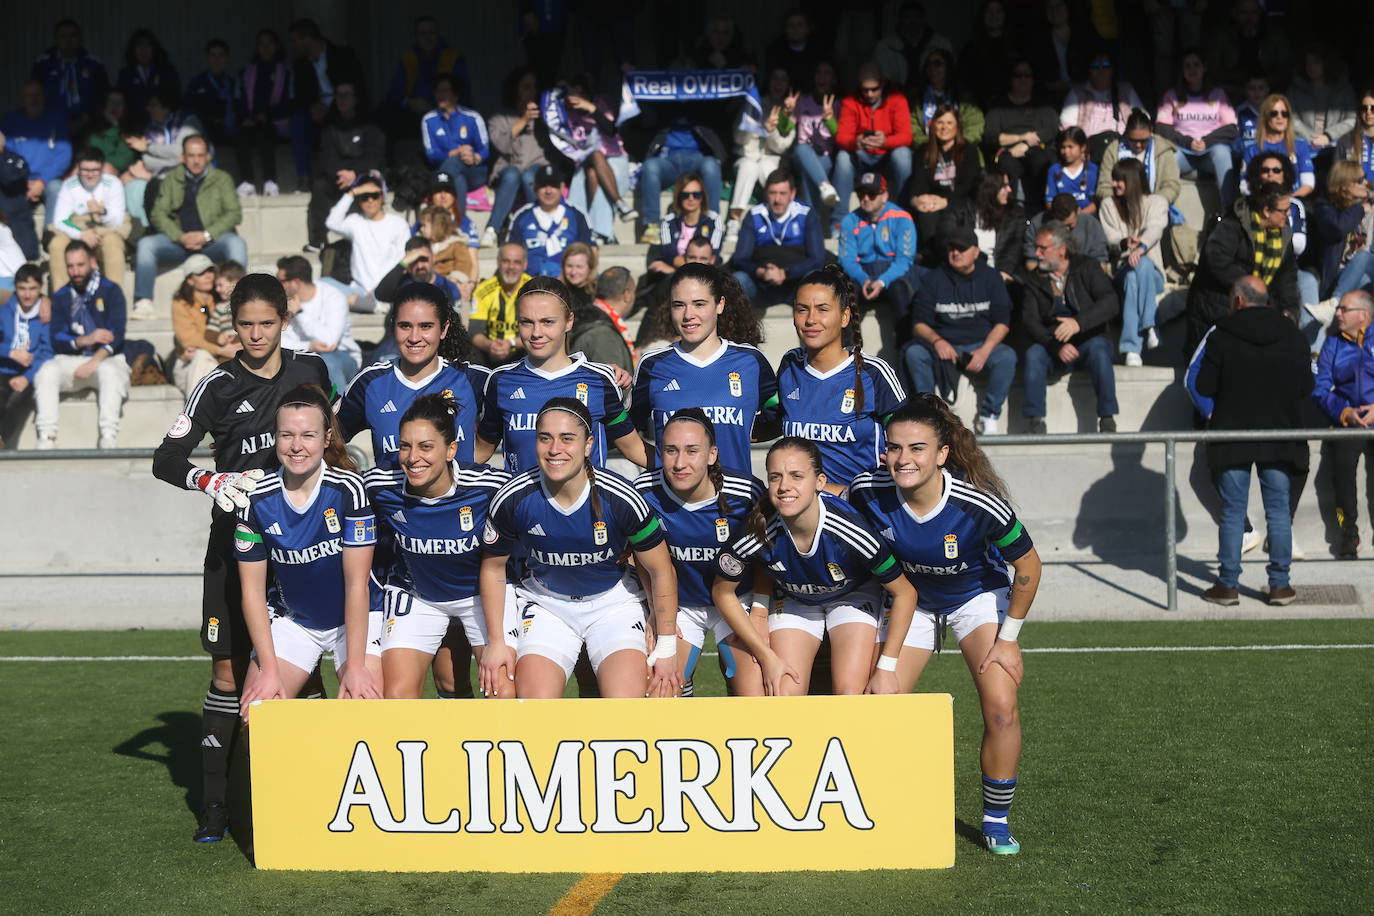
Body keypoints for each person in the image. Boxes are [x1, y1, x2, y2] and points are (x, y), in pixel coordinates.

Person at [151, 273, 331, 843]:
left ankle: (321, 789)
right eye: (245, 323)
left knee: (306, 665)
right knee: (228, 672)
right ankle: (215, 805)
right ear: (232, 324)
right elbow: (165, 458)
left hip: (300, 546)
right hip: (234, 544)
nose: (255, 334)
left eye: (266, 323)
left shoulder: (312, 372)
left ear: (284, 321)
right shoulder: (217, 384)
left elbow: (336, 438)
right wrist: (210, 477)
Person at [850, 395, 1041, 855]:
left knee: (1001, 705)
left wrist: (1009, 639)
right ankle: (878, 808)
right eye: (894, 448)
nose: (903, 458)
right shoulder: (866, 491)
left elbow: (1030, 567)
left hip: (975, 598)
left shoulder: (979, 505)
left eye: (917, 448)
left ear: (941, 454)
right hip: (909, 603)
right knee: (879, 704)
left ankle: (995, 821)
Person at [340, 287, 490, 701]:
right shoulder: (371, 382)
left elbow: (518, 427)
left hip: (471, 548)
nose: (415, 336)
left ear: (444, 329)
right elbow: (328, 440)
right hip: (405, 550)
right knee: (436, 680)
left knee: (466, 677)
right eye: (405, 325)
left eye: (426, 326)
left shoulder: (475, 379)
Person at [478, 397, 681, 700]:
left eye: (567, 439)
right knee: (532, 706)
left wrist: (666, 647)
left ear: (588, 445)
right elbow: (493, 567)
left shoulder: (621, 497)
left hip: (613, 604)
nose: (554, 449)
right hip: (547, 604)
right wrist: (496, 641)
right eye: (545, 438)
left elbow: (661, 570)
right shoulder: (514, 497)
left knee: (627, 705)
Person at [710, 436, 917, 695]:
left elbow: (905, 592)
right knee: (783, 693)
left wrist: (886, 666)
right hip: (795, 598)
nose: (784, 486)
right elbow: (722, 591)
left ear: (820, 482)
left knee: (851, 694)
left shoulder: (851, 531)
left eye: (797, 476)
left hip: (851, 596)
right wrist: (766, 652)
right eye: (775, 477)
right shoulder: (757, 530)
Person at [235, 384, 380, 719]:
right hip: (297, 622)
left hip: (355, 619)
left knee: (366, 709)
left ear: (326, 438)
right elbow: (252, 592)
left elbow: (358, 585)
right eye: (287, 435)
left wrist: (356, 666)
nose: (296, 446)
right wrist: (268, 669)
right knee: (258, 715)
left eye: (308, 435)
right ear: (275, 438)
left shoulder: (348, 491)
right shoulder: (255, 498)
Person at [363, 394, 512, 700]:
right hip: (417, 595)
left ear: (451, 450)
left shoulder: (489, 487)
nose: (413, 457)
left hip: (483, 596)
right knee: (396, 697)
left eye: (426, 446)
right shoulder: (379, 485)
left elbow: (539, 509)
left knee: (503, 690)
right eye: (405, 446)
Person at [1195, 276, 1310, 604]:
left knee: (1233, 511)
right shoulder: (1292, 333)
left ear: (1239, 300)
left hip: (1233, 434)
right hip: (1279, 433)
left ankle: (1228, 585)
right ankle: (1280, 585)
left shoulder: (1222, 335)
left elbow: (1204, 386)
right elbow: (1306, 386)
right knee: (1278, 510)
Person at [476, 277, 646, 474]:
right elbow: (480, 451)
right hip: (522, 504)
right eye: (526, 322)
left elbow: (635, 449)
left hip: (588, 503)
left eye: (547, 322)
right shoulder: (501, 381)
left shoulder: (601, 380)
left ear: (569, 321)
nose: (536, 332)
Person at [633, 263, 778, 470]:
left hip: (735, 499)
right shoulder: (652, 364)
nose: (688, 315)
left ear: (720, 305)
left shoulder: (751, 361)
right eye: (678, 305)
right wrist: (661, 465)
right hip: (670, 500)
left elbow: (779, 416)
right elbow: (626, 430)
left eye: (699, 304)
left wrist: (738, 435)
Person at [778, 266, 907, 484]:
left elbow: (910, 437)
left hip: (861, 508)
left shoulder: (874, 373)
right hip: (802, 508)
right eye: (802, 309)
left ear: (845, 316)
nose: (811, 319)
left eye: (822, 309)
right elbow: (771, 421)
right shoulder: (790, 365)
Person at [904, 224, 1017, 436]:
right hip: (943, 343)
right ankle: (929, 415)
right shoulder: (933, 279)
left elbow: (1003, 322)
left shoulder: (991, 277)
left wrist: (985, 351)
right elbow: (918, 324)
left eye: (961, 248)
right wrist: (937, 341)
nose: (955, 253)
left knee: (1007, 356)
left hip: (981, 344)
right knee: (914, 353)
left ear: (975, 252)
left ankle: (989, 416)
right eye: (951, 248)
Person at [1020, 221, 1120, 434]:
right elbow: (1030, 320)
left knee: (1100, 350)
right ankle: (1035, 421)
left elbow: (1110, 302)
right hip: (1052, 345)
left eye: (1042, 248)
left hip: (1088, 340)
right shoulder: (1033, 279)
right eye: (1036, 248)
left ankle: (1107, 418)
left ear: (1061, 250)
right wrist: (1055, 345)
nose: (1036, 253)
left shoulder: (1087, 266)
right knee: (1033, 355)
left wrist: (1079, 323)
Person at [134, 135, 247, 320]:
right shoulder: (170, 180)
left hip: (212, 241)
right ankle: (144, 300)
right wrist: (179, 236)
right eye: (192, 155)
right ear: (182, 157)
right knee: (146, 244)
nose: (196, 160)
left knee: (237, 244)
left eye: (201, 155)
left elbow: (234, 214)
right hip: (178, 242)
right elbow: (158, 214)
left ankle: (239, 299)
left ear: (208, 157)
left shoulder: (222, 179)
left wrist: (207, 235)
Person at [33, 241, 129, 448]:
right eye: (70, 266)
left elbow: (117, 335)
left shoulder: (111, 291)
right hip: (72, 359)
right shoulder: (61, 296)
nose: (75, 271)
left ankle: (108, 436)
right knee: (46, 372)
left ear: (92, 262)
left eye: (80, 265)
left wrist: (94, 361)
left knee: (110, 374)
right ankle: (47, 436)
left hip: (106, 358)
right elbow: (57, 339)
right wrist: (86, 339)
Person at [1185, 182, 1298, 354]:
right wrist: (1254, 287)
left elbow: (1287, 277)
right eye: (1283, 211)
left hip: (1259, 307)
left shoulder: (1283, 236)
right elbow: (1217, 260)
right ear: (1266, 211)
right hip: (1219, 306)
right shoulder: (1233, 224)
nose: (1288, 214)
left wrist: (1290, 311)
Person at [1314, 290, 1374, 557]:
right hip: (1347, 421)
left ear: (1363, 315)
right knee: (1341, 473)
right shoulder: (1332, 345)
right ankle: (1349, 534)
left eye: (1343, 309)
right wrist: (1346, 412)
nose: (1337, 313)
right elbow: (1321, 390)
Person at [553, 74, 638, 241]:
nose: (568, 97)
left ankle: (596, 230)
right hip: (582, 160)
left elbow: (611, 130)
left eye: (571, 92)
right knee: (595, 155)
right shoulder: (561, 115)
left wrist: (591, 109)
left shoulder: (600, 103)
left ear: (582, 91)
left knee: (593, 174)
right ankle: (620, 204)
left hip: (614, 157)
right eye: (563, 94)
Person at [1100, 158, 1168, 365]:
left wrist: (1141, 247)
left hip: (1153, 273)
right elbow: (1109, 238)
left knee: (1140, 270)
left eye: (1119, 180)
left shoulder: (1157, 202)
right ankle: (1150, 325)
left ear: (1133, 180)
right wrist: (1123, 243)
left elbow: (1156, 228)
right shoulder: (1108, 205)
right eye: (1113, 180)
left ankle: (1131, 349)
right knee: (1131, 274)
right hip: (1121, 268)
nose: (1114, 184)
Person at [287, 18, 366, 188]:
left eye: (295, 41)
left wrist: (332, 106)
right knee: (298, 120)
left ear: (307, 38)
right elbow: (300, 96)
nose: (293, 46)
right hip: (316, 110)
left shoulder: (342, 55)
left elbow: (356, 86)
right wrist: (312, 107)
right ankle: (304, 177)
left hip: (341, 105)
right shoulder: (300, 64)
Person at [305, 82, 384, 252]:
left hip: (362, 175)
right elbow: (326, 156)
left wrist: (354, 173)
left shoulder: (369, 124)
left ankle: (367, 237)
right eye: (339, 95)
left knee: (368, 187)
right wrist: (342, 174)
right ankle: (317, 240)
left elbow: (374, 155)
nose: (342, 99)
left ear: (355, 99)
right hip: (337, 178)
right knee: (319, 185)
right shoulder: (329, 126)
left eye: (347, 95)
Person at [729, 169, 825, 307]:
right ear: (766, 194)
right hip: (762, 285)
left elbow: (817, 259)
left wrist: (785, 273)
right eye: (773, 193)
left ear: (792, 193)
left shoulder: (807, 214)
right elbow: (740, 258)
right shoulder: (754, 215)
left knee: (816, 277)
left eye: (782, 193)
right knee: (739, 280)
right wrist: (761, 272)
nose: (777, 199)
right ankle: (737, 327)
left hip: (797, 285)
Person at [1155, 50, 1238, 208]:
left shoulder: (1218, 94)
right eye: (1187, 66)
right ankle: (1161, 210)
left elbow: (1231, 128)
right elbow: (1161, 128)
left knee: (1223, 153)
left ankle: (1229, 212)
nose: (1192, 70)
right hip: (1182, 151)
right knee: (1167, 158)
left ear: (1204, 68)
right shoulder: (1171, 95)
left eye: (1196, 65)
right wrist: (1187, 142)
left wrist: (1207, 141)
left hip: (1210, 151)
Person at [723, 67, 797, 244]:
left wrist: (770, 131)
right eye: (775, 79)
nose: (778, 84)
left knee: (767, 168)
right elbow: (738, 138)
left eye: (783, 80)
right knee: (750, 165)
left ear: (788, 85)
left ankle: (779, 219)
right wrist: (760, 127)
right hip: (747, 156)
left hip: (772, 159)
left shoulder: (790, 112)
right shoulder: (754, 102)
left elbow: (781, 147)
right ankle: (734, 220)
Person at [834, 64, 914, 224]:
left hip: (887, 157)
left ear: (882, 84)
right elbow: (841, 138)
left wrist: (885, 141)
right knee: (843, 158)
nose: (869, 94)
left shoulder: (897, 99)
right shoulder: (850, 101)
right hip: (861, 156)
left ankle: (904, 215)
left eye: (874, 89)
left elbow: (906, 136)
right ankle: (838, 222)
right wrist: (856, 141)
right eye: (865, 90)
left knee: (903, 155)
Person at [635, 112, 727, 244]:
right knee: (650, 166)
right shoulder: (660, 105)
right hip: (667, 160)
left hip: (698, 160)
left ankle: (711, 221)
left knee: (711, 165)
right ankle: (652, 225)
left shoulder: (704, 104)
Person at [323, 174, 410, 314]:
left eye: (374, 195)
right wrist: (352, 192)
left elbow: (403, 259)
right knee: (322, 284)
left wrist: (380, 289)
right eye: (364, 196)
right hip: (360, 290)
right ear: (358, 200)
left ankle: (373, 304)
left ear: (382, 196)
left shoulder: (398, 224)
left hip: (387, 289)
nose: (370, 200)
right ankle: (374, 306)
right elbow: (331, 222)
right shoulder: (354, 221)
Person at [484, 68, 550, 247]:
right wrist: (523, 120)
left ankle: (540, 227)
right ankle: (492, 230)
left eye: (535, 87)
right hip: (508, 168)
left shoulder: (545, 116)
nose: (532, 92)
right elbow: (501, 144)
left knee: (529, 176)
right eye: (527, 87)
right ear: (515, 89)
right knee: (513, 174)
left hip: (537, 166)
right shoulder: (499, 117)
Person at [48, 146, 128, 289]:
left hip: (104, 231)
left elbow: (118, 221)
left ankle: (115, 299)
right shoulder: (69, 185)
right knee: (56, 244)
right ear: (78, 168)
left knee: (113, 243)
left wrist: (103, 211)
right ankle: (62, 298)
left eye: (95, 170)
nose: (90, 175)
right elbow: (59, 221)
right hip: (77, 231)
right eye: (85, 170)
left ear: (102, 168)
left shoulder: (113, 183)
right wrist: (81, 234)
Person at [907, 106, 983, 257]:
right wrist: (917, 201)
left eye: (949, 123)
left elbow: (969, 187)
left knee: (949, 215)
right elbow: (917, 185)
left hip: (960, 201)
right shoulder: (923, 151)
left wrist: (946, 201)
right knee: (926, 213)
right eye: (940, 122)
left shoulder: (969, 150)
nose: (944, 127)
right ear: (933, 125)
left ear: (957, 126)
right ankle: (931, 257)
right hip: (932, 203)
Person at [838, 172, 921, 309]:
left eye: (871, 194)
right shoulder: (849, 221)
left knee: (900, 288)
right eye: (860, 194)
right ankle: (850, 331)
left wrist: (883, 281)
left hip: (894, 274)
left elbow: (904, 260)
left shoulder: (902, 218)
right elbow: (847, 260)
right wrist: (864, 279)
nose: (865, 198)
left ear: (884, 195)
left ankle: (904, 331)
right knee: (846, 290)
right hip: (863, 274)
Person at [277, 256, 360, 392]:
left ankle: (338, 409)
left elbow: (328, 342)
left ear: (296, 282)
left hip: (341, 357)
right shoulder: (280, 300)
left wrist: (300, 313)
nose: (277, 285)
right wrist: (308, 346)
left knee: (326, 361)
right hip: (298, 357)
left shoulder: (333, 296)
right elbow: (277, 340)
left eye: (280, 281)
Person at [382, 15, 470, 140]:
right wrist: (409, 102)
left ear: (438, 35)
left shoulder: (453, 58)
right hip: (414, 115)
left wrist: (435, 106)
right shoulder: (408, 60)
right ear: (416, 37)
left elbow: (463, 92)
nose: (427, 38)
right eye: (422, 34)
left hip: (447, 112)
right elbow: (394, 93)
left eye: (431, 33)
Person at [983, 62, 1059, 206]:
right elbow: (990, 135)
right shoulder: (998, 105)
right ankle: (1010, 212)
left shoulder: (1042, 103)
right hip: (1006, 153)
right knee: (1006, 164)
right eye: (1018, 76)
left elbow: (1051, 129)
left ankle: (1043, 209)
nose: (1023, 79)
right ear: (1010, 79)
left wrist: (1025, 145)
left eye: (1027, 76)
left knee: (1041, 159)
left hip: (1037, 149)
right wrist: (1022, 138)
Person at [2, 80, 72, 221]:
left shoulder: (56, 119)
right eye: (29, 95)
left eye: (37, 95)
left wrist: (42, 181)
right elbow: (4, 155)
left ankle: (50, 237)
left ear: (44, 97)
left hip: (48, 180)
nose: (34, 99)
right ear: (22, 99)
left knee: (56, 189)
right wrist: (21, 181)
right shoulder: (11, 121)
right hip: (18, 179)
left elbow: (64, 154)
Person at [234, 29, 292, 198]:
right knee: (240, 137)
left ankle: (270, 182)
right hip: (250, 122)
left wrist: (268, 115)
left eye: (270, 44)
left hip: (276, 123)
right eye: (262, 44)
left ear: (276, 46)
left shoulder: (286, 71)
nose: (266, 48)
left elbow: (291, 102)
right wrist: (245, 118)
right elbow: (239, 100)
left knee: (265, 135)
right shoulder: (247, 72)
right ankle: (247, 183)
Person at [508, 165, 593, 278]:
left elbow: (591, 253)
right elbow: (511, 252)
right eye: (543, 186)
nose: (548, 191)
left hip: (568, 284)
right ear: (534, 188)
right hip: (530, 284)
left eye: (554, 185)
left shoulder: (577, 215)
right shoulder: (522, 216)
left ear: (562, 187)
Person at [1059, 49, 1143, 162]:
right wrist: (1080, 148)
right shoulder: (1077, 92)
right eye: (1095, 66)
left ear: (1113, 69)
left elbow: (1143, 119)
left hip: (1123, 147)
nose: (1101, 70)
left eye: (1106, 65)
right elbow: (1066, 127)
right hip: (1089, 150)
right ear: (1088, 69)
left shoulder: (1125, 90)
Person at [0, 265, 51, 449]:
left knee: (15, 401)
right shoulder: (5, 311)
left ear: (40, 288)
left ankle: (2, 442)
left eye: (32, 289)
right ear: (15, 288)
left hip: (29, 372)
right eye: (22, 288)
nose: (27, 295)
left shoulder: (45, 315)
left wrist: (26, 377)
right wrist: (11, 352)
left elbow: (47, 352)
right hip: (3, 368)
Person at [1311, 161, 1374, 304]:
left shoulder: (1371, 204)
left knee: (1365, 258)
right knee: (1363, 274)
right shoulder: (1325, 207)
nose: (1366, 182)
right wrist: (1359, 209)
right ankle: (1336, 302)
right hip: (1342, 273)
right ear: (1344, 185)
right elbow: (1337, 228)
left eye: (1365, 177)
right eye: (1360, 180)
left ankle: (1333, 304)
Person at [170, 255, 234, 395]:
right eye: (201, 273)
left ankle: (195, 414)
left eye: (210, 271)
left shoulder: (221, 297)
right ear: (190, 280)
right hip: (189, 364)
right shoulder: (181, 303)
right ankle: (194, 414)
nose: (209, 276)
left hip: (220, 360)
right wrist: (220, 350)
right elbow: (189, 339)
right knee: (201, 356)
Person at [1207, 0, 1294, 102]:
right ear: (1235, 13)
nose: (1249, 18)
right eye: (1243, 12)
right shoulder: (1222, 35)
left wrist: (1262, 86)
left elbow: (1285, 67)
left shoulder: (1274, 34)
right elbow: (1214, 68)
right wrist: (1239, 87)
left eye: (1253, 12)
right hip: (1232, 91)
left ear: (1260, 13)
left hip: (1268, 90)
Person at [31, 19, 109, 131]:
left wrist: (87, 118)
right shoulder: (43, 64)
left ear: (80, 39)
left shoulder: (94, 64)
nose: (68, 41)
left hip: (87, 126)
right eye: (63, 36)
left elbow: (103, 96)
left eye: (73, 36)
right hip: (51, 125)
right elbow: (34, 95)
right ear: (56, 39)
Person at [421, 73, 489, 200]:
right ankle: (460, 220)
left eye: (444, 91)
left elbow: (485, 149)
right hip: (445, 170)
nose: (440, 95)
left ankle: (438, 192)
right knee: (458, 180)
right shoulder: (429, 120)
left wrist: (474, 157)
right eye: (437, 91)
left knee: (453, 165)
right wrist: (457, 152)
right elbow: (431, 155)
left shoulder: (473, 117)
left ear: (456, 94)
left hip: (474, 171)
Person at [785, 60, 842, 210]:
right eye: (818, 73)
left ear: (834, 79)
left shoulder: (839, 105)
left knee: (807, 173)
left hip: (825, 158)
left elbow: (840, 139)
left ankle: (811, 220)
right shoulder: (802, 101)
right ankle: (825, 185)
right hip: (800, 155)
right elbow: (784, 129)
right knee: (802, 148)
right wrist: (787, 112)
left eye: (827, 73)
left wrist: (830, 120)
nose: (821, 77)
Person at [1288, 45, 1355, 164]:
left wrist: (1328, 136)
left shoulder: (1344, 89)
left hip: (1336, 149)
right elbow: (1291, 117)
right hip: (1305, 147)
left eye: (1316, 62)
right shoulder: (1295, 90)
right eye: (1308, 63)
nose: (1311, 67)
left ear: (1327, 63)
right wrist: (1310, 138)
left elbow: (1352, 119)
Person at [908, 49, 985, 152]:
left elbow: (975, 126)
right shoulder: (916, 97)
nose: (932, 68)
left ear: (948, 68)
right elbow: (913, 129)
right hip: (928, 152)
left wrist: (956, 144)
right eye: (928, 64)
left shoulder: (964, 96)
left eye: (937, 64)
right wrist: (933, 146)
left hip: (961, 151)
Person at [1242, 94, 1315, 200]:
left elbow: (1308, 184)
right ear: (1265, 117)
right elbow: (1244, 185)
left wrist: (1287, 201)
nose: (1279, 117)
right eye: (1274, 113)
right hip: (1261, 203)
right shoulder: (1252, 150)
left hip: (1293, 200)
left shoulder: (1300, 146)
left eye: (1284, 113)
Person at [1026, 0, 1101, 103]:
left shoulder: (1085, 32)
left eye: (1059, 5)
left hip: (1086, 93)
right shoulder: (1038, 39)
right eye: (1049, 7)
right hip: (1050, 96)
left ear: (1067, 8)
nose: (1054, 10)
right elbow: (1038, 76)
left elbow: (1098, 64)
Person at [961, 165, 1027, 281]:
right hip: (966, 273)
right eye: (1004, 186)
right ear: (990, 188)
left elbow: (1013, 249)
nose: (1009, 190)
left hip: (999, 276)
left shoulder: (1015, 215)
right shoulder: (963, 211)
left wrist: (1002, 273)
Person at [470, 242, 531, 366]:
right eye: (506, 261)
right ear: (498, 262)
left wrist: (512, 343)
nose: (511, 267)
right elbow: (474, 332)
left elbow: (539, 333)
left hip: (523, 350)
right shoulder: (482, 290)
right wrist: (489, 345)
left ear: (525, 265)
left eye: (517, 262)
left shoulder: (533, 289)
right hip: (490, 352)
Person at [873, 1, 954, 88]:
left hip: (934, 95)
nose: (913, 21)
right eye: (908, 17)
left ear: (924, 19)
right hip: (896, 96)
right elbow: (881, 78)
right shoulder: (884, 47)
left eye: (917, 17)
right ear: (900, 19)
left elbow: (951, 75)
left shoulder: (941, 44)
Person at [373, 236, 462, 315]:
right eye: (413, 260)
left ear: (433, 258)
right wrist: (402, 264)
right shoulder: (401, 284)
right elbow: (381, 295)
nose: (419, 266)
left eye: (423, 259)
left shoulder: (448, 287)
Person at [1022, 192, 1110, 271]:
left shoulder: (1091, 225)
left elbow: (1101, 264)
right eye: (1062, 226)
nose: (1066, 230)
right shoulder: (1037, 224)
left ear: (1078, 211)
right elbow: (1031, 262)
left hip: (1084, 277)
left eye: (1070, 225)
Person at [183, 40, 237, 149]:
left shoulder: (233, 83)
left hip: (228, 131)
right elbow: (188, 108)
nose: (217, 59)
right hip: (205, 131)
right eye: (213, 55)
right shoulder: (197, 82)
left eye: (221, 55)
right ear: (207, 58)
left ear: (227, 58)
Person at [117, 29, 180, 118]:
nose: (144, 50)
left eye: (148, 45)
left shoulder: (167, 71)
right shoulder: (125, 74)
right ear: (133, 50)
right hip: (135, 125)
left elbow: (175, 99)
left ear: (154, 48)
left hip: (162, 123)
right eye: (139, 46)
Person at [417, 204, 477, 285]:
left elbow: (464, 263)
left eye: (424, 226)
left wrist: (455, 278)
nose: (421, 229)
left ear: (437, 226)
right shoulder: (422, 246)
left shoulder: (456, 244)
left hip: (448, 284)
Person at [1044, 126, 1098, 213]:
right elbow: (1049, 202)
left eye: (1070, 147)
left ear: (1083, 147)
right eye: (1063, 147)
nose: (1066, 151)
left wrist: (1079, 215)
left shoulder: (1093, 170)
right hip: (1061, 218)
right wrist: (1065, 215)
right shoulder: (1054, 170)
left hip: (1087, 218)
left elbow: (1096, 202)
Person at [1335, 88, 1374, 185]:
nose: (1368, 112)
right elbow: (1337, 176)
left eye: (1373, 108)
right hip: (1353, 195)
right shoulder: (1346, 140)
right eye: (1364, 108)